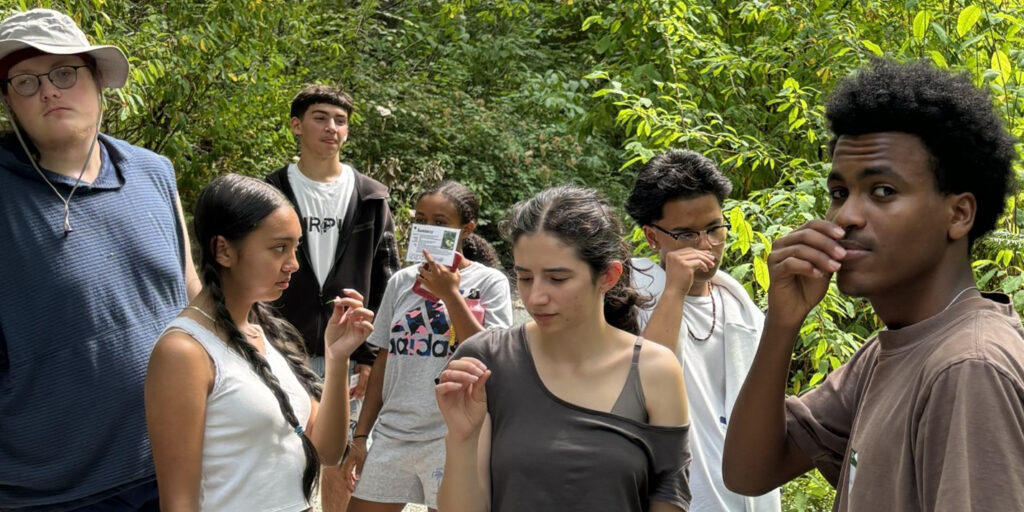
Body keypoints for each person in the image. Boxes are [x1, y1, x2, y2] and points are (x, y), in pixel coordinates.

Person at [722, 60, 1024, 511]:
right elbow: (751, 471)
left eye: (883, 191)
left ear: (959, 214)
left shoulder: (966, 367)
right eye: (840, 193)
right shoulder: (894, 349)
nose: (845, 217)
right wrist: (782, 323)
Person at [0, 9, 200, 511]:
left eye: (64, 73)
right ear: (8, 103)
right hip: (48, 490)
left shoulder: (154, 172)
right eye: (26, 81)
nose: (48, 91)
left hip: (174, 463)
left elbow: (193, 294)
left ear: (97, 80)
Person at [436, 186, 692, 512]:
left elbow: (670, 496)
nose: (536, 297)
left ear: (608, 276)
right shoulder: (487, 360)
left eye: (557, 279)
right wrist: (461, 440)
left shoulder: (655, 370)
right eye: (525, 278)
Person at [145, 173, 374, 511]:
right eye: (279, 248)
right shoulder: (185, 352)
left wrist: (337, 357)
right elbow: (178, 502)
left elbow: (326, 451)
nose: (293, 264)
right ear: (223, 250)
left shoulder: (265, 333)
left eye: (296, 247)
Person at [265, 84, 399, 509]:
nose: (332, 128)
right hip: (281, 343)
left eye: (340, 120)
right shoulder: (269, 193)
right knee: (280, 451)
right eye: (320, 117)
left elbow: (385, 279)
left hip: (348, 344)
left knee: (341, 460)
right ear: (296, 126)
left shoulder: (371, 197)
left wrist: (369, 355)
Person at [626, 150, 781, 512]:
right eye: (685, 234)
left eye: (714, 229)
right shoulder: (630, 294)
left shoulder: (740, 306)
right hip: (678, 497)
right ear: (651, 236)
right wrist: (676, 291)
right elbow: (645, 386)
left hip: (747, 494)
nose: (706, 245)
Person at [346, 180, 513, 512]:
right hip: (394, 432)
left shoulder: (489, 282)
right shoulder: (400, 282)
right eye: (421, 220)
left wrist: (450, 294)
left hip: (452, 436)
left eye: (440, 223)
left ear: (466, 229)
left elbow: (490, 353)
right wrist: (362, 435)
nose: (427, 229)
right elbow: (383, 362)